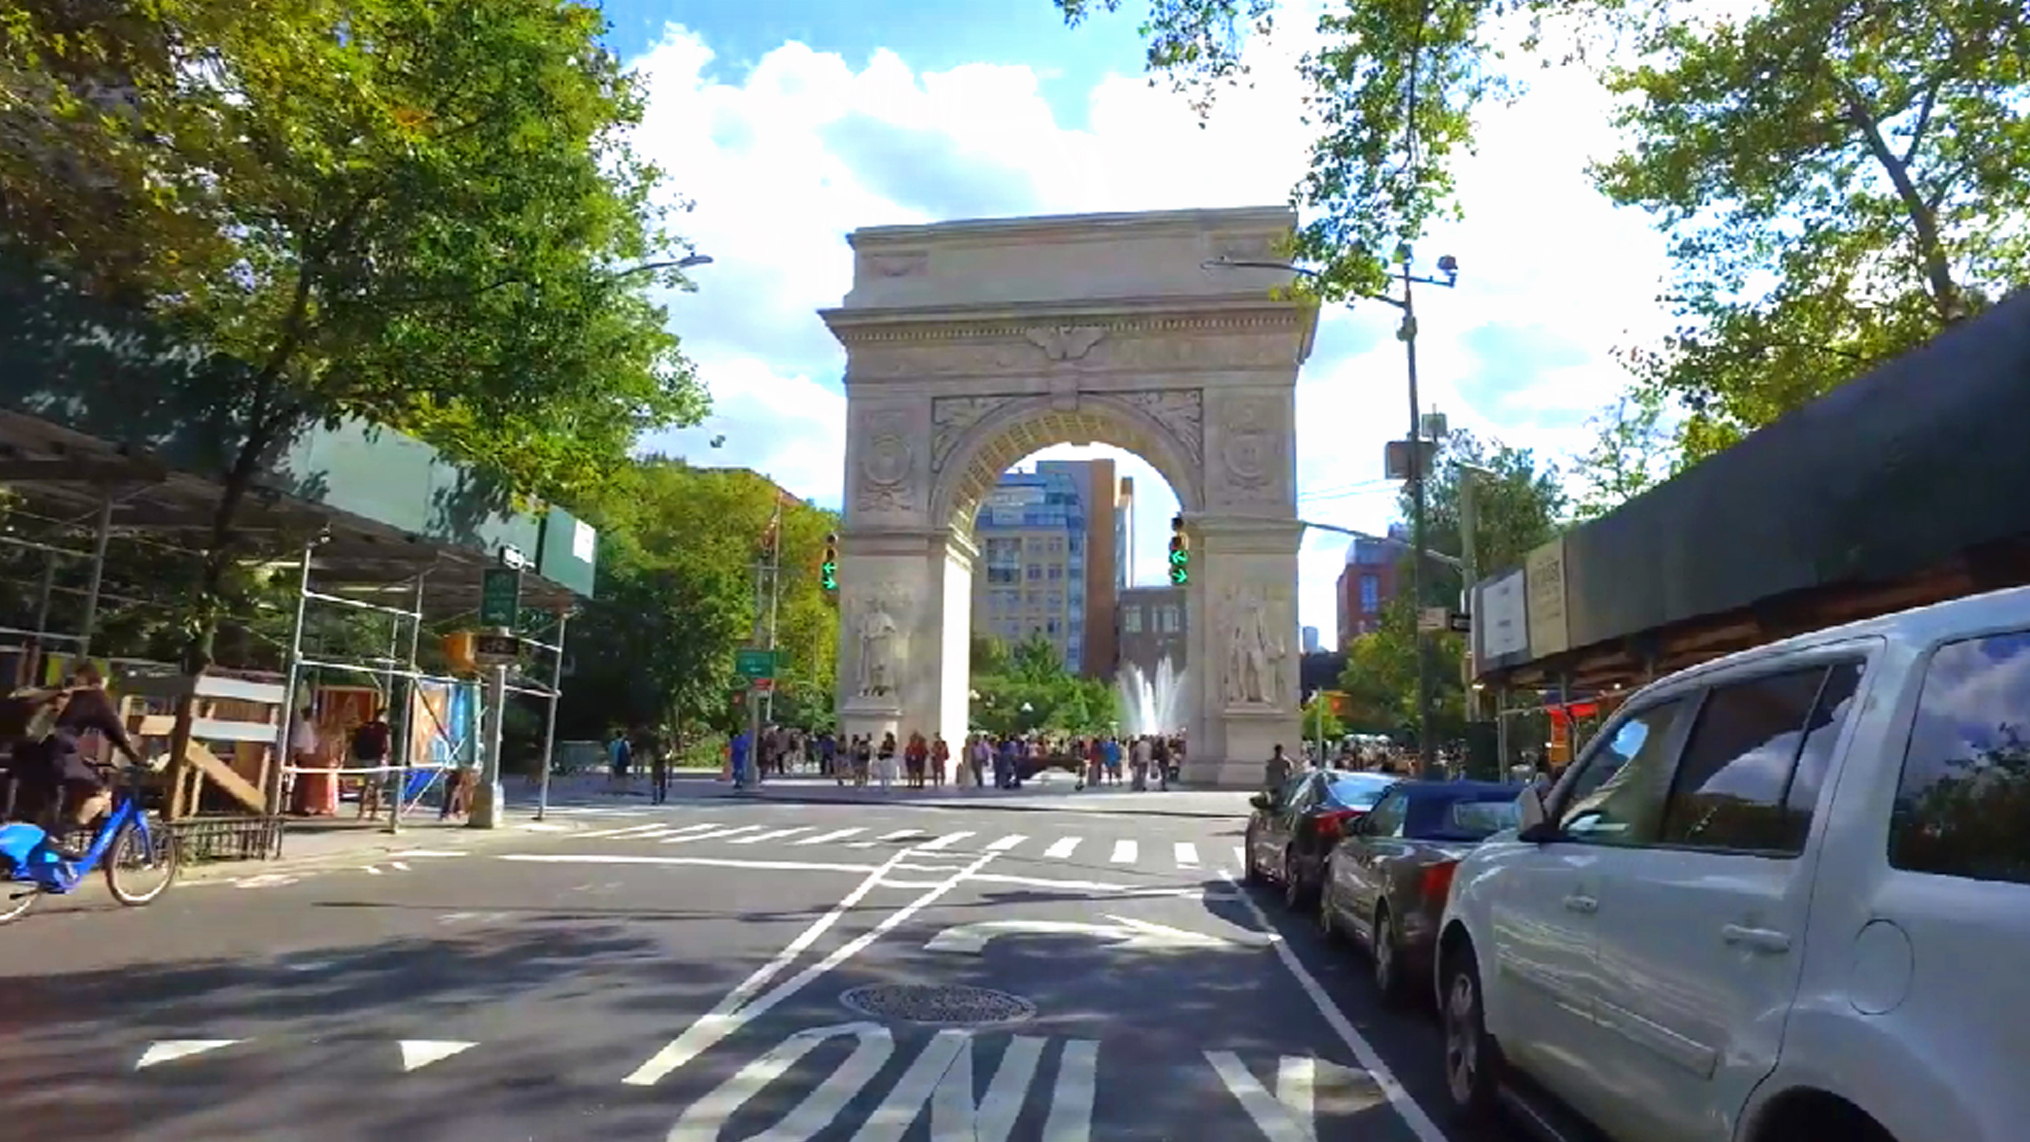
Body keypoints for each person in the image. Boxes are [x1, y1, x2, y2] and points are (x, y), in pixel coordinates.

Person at [18, 665, 144, 854]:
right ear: (100, 680)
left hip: (26, 755)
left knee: (51, 799)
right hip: (58, 753)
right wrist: (137, 759)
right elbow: (115, 731)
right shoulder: (96, 697)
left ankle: (38, 853)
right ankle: (59, 836)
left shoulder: (56, 693)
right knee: (100, 792)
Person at [351, 707, 393, 820]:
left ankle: (361, 812)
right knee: (378, 787)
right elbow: (387, 745)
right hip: (379, 759)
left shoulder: (365, 726)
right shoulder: (384, 728)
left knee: (365, 785)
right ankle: (375, 812)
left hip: (365, 759)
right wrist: (387, 756)